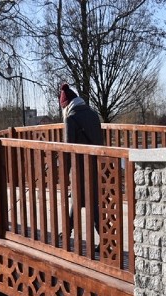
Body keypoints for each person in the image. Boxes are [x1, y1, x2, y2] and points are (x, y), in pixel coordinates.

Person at [59, 83, 103, 248]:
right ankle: (67, 231)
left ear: (66, 105)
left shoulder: (71, 118)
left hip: (79, 168)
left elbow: (69, 148)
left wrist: (65, 171)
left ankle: (103, 239)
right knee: (87, 201)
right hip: (95, 165)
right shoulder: (93, 115)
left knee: (84, 202)